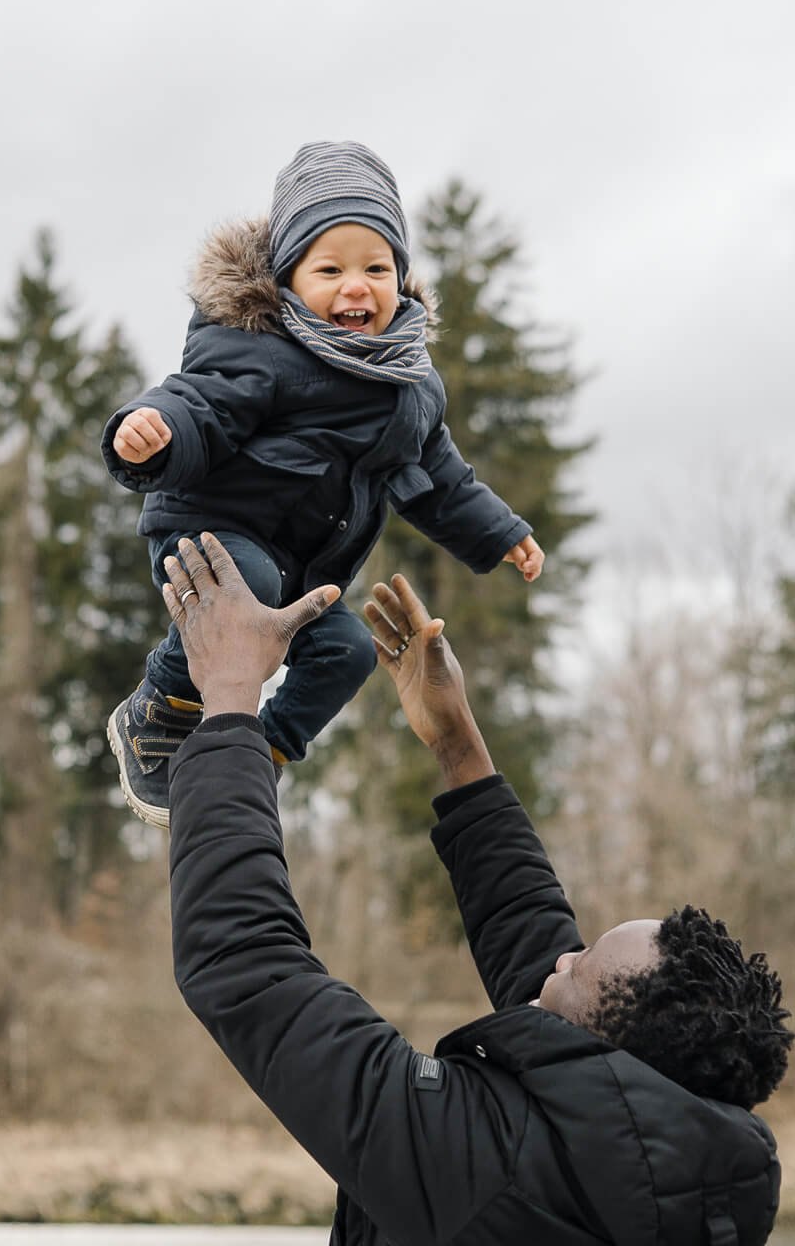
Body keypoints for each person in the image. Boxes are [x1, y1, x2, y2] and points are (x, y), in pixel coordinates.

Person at [156, 533, 794, 1246]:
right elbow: (541, 956)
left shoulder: (459, 1156)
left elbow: (242, 958)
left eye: (575, 969)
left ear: (596, 1048)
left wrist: (231, 704)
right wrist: (456, 747)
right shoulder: (698, 1190)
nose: (559, 956)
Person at [101, 140, 544, 827]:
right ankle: (156, 709)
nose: (355, 286)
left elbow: (437, 476)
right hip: (211, 542)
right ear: (287, 279)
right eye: (329, 268)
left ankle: (266, 752)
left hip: (303, 571)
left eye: (375, 267)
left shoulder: (408, 383)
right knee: (246, 594)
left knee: (347, 651)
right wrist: (149, 430)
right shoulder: (255, 344)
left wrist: (501, 532)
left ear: (399, 276)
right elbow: (199, 404)